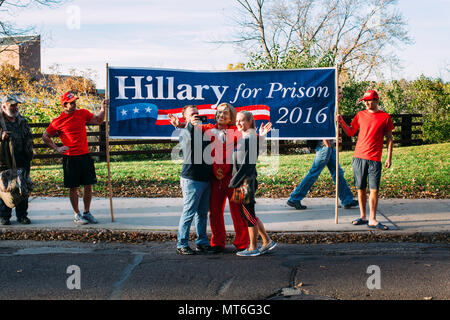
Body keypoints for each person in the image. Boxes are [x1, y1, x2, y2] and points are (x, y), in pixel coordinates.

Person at [169, 103, 250, 254]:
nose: (221, 115)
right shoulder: (208, 129)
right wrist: (180, 124)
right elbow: (192, 128)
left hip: (236, 180)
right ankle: (218, 242)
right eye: (219, 113)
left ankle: (243, 242)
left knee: (238, 211)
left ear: (231, 116)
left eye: (225, 113)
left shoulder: (237, 131)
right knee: (214, 212)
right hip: (214, 180)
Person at [287, 87, 358, 211]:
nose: (341, 95)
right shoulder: (326, 106)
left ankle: (347, 200)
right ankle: (294, 198)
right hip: (325, 147)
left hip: (329, 147)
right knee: (314, 173)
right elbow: (320, 125)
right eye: (339, 93)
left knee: (338, 173)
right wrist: (327, 143)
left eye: (341, 93)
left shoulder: (333, 106)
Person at [42, 92, 107, 225]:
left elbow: (98, 120)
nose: (74, 104)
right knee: (73, 187)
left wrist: (103, 108)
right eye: (71, 102)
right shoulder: (57, 121)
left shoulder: (82, 113)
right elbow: (45, 136)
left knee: (88, 185)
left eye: (75, 101)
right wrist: (57, 148)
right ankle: (77, 214)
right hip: (70, 158)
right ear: (64, 105)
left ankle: (87, 212)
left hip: (85, 155)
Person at [337, 89, 394, 230]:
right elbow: (350, 132)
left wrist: (389, 157)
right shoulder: (360, 115)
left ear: (376, 100)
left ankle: (372, 219)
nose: (367, 103)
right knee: (360, 188)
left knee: (374, 189)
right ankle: (363, 216)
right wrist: (341, 122)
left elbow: (389, 139)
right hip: (359, 157)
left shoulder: (385, 117)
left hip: (375, 158)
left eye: (370, 100)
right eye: (365, 101)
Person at [229, 111, 276, 257]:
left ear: (250, 121)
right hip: (240, 180)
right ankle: (267, 241)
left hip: (245, 181)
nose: (238, 123)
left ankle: (253, 248)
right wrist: (261, 136)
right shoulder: (246, 137)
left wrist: (234, 181)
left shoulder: (248, 138)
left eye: (242, 120)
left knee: (249, 214)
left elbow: (248, 164)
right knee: (246, 213)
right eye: (237, 120)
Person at [174, 105, 214, 255]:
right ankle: (182, 243)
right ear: (186, 118)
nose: (196, 116)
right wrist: (189, 124)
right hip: (191, 179)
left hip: (205, 178)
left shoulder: (204, 131)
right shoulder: (185, 132)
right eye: (192, 114)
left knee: (202, 213)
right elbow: (188, 133)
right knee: (189, 212)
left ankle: (202, 242)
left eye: (197, 114)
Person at [0, 94, 34, 225]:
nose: (14, 107)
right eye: (11, 105)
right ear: (4, 106)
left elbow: (29, 137)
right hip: (4, 160)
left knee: (22, 188)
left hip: (22, 158)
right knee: (5, 188)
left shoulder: (22, 120)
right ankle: (4, 216)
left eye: (16, 105)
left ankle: (22, 215)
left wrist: (29, 153)